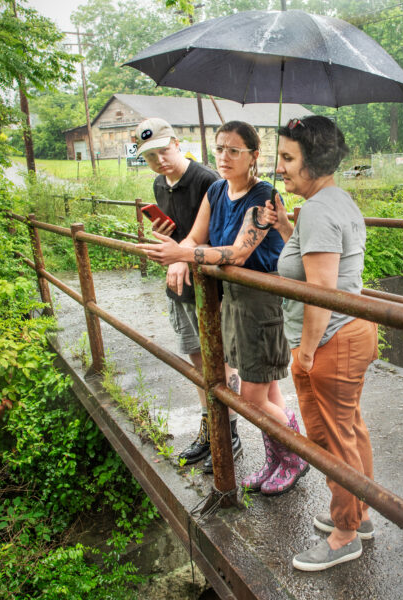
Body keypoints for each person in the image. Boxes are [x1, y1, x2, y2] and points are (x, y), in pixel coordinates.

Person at [138, 120, 309, 492]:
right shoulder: (215, 190)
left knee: (250, 397)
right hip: (231, 300)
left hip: (260, 304)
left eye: (234, 150)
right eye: (219, 149)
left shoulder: (265, 197)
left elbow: (238, 252)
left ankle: (297, 457)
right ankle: (277, 458)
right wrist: (177, 246)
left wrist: (184, 253)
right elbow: (198, 236)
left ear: (253, 156)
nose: (225, 156)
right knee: (268, 392)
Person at [267, 116, 379, 571]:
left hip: (329, 340)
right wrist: (283, 232)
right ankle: (360, 513)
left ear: (313, 163)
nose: (281, 167)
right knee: (349, 429)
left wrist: (307, 355)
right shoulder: (335, 201)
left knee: (332, 440)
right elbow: (317, 264)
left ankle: (345, 534)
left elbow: (321, 293)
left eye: (288, 158)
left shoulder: (318, 209)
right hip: (351, 332)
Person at [133, 117, 242, 470]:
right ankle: (210, 428)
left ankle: (230, 432)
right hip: (180, 285)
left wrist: (183, 252)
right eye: (151, 156)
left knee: (221, 360)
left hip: (211, 286)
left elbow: (226, 234)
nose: (160, 161)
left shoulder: (208, 180)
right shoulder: (158, 186)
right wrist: (169, 238)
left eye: (164, 151)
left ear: (177, 143)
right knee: (197, 359)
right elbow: (179, 232)